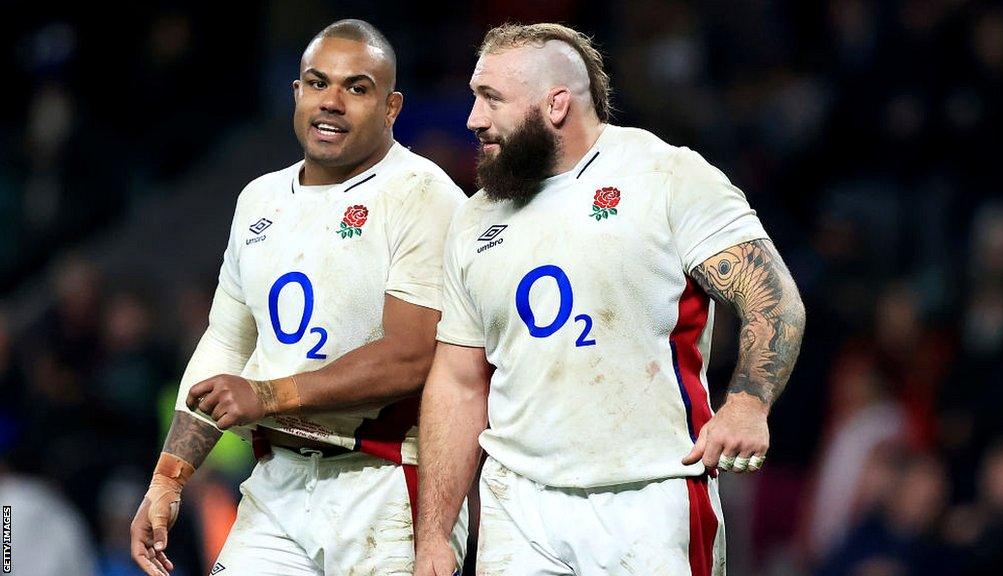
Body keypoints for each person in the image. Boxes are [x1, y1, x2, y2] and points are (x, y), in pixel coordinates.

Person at [414, 22, 806, 576]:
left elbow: (774, 296)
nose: (473, 119)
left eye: (491, 100)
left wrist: (747, 402)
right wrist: (435, 535)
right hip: (517, 505)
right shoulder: (474, 217)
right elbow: (458, 381)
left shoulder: (668, 176)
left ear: (556, 104)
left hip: (649, 494)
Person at [128, 19, 468, 576]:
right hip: (278, 480)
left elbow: (410, 355)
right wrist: (168, 479)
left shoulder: (423, 194)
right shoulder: (259, 199)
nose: (331, 102)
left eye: (357, 88)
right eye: (317, 83)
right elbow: (226, 341)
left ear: (392, 107)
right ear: (295, 92)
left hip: (386, 484)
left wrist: (268, 394)